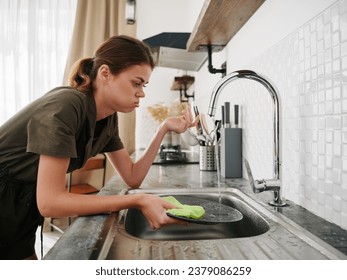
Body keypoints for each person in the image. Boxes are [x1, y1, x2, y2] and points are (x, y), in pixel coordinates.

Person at [0, 35, 198, 260]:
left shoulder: (107, 118)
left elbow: (132, 177)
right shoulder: (67, 105)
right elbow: (50, 203)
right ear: (105, 74)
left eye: (143, 85)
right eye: (136, 83)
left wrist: (163, 129)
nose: (141, 92)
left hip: (22, 203)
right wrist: (137, 200)